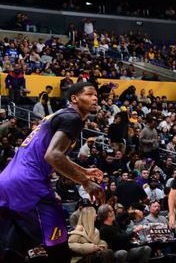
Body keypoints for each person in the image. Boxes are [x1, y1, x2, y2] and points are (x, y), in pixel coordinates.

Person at [0, 82, 105, 262]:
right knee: (59, 248)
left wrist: (84, 170)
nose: (95, 98)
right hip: (30, 183)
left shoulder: (56, 115)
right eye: (89, 94)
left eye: (96, 95)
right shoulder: (73, 119)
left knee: (17, 243)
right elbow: (53, 156)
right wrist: (85, 182)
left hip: (6, 181)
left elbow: (51, 154)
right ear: (74, 98)